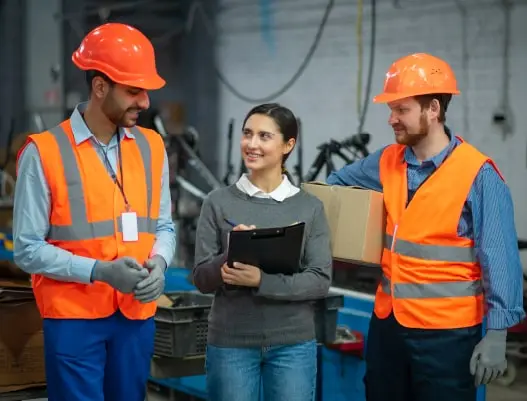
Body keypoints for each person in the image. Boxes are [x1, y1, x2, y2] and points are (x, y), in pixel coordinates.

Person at [327, 52, 526, 401]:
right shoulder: (386, 161)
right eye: (391, 109)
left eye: (401, 109)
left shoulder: (478, 175)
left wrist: (498, 333)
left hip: (447, 336)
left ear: (433, 109)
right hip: (388, 324)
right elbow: (335, 184)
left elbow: (500, 257)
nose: (391, 119)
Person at [13, 23, 176, 401]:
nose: (145, 103)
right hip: (74, 319)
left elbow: (164, 225)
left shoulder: (152, 147)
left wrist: (161, 264)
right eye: (133, 91)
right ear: (100, 87)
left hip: (135, 317)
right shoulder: (45, 153)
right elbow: (26, 248)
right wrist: (99, 271)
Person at [193, 103, 332, 401]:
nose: (251, 144)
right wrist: (229, 254)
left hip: (293, 345)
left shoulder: (309, 207)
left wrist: (260, 281)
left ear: (287, 145)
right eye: (247, 134)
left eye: (264, 136)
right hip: (230, 344)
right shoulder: (216, 203)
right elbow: (201, 279)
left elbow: (319, 280)